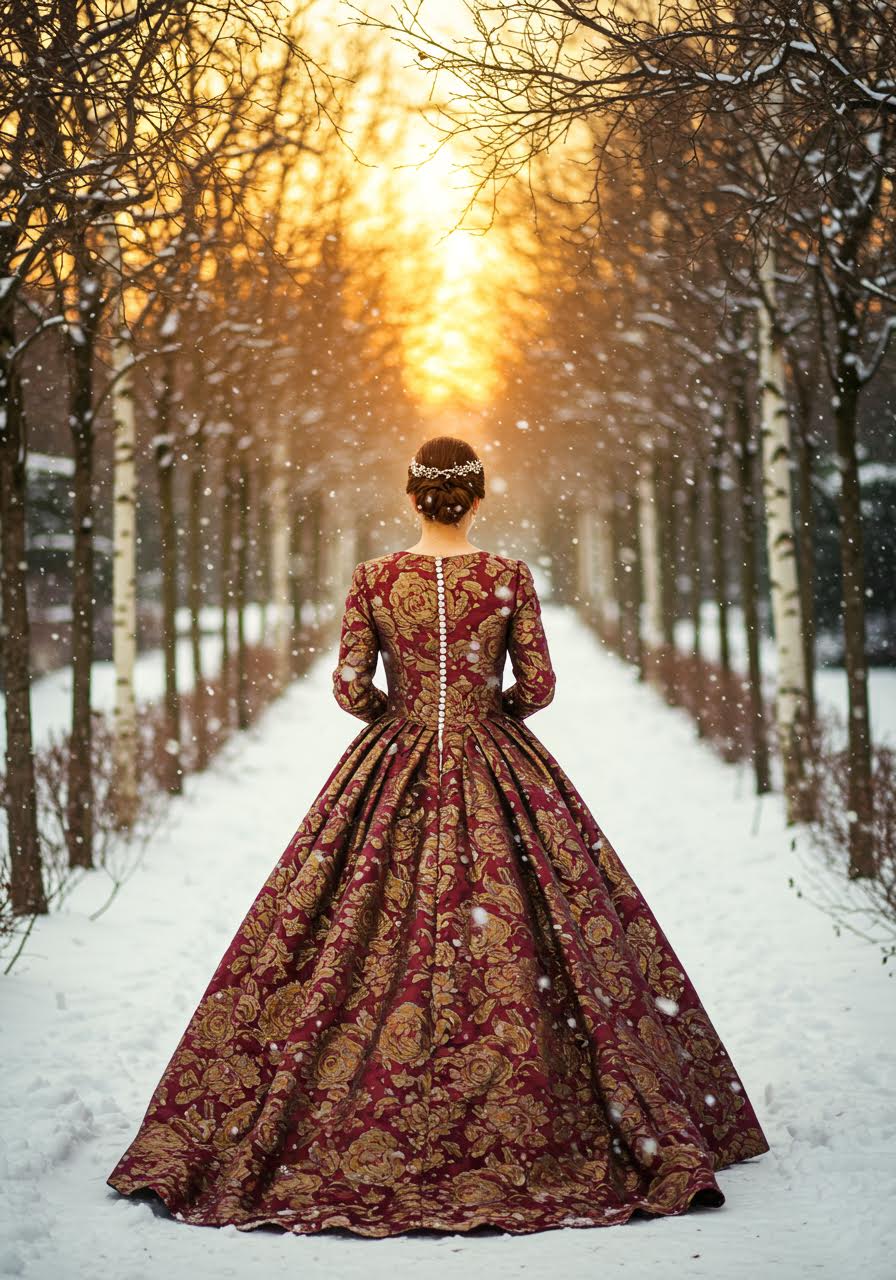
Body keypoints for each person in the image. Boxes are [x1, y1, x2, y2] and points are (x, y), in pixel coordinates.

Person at [106, 434, 769, 1237]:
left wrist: (403, 720)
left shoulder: (374, 579)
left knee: (335, 936)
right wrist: (496, 720)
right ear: (478, 496)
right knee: (560, 938)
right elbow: (541, 685)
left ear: (412, 496)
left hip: (397, 762)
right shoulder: (508, 577)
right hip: (500, 757)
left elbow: (351, 689)